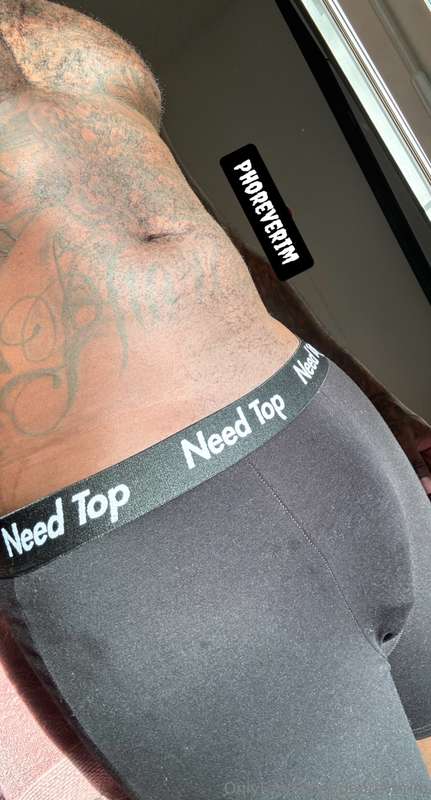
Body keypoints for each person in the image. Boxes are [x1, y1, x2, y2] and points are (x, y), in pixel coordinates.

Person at [0, 2, 431, 799]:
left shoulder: (41, 23)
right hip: (148, 532)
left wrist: (371, 389)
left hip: (328, 427)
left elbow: (174, 225)